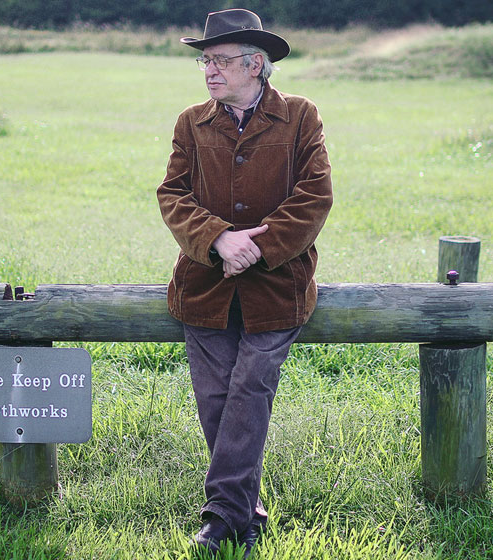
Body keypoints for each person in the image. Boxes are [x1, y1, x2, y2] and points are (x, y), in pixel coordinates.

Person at [156, 7, 333, 557]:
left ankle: (222, 517)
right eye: (205, 61)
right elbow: (172, 195)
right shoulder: (191, 121)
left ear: (256, 64)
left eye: (221, 61)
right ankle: (245, 512)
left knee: (249, 388)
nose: (209, 71)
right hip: (205, 286)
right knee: (215, 400)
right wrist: (217, 240)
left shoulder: (301, 116)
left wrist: (252, 247)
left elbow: (314, 196)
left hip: (278, 286)